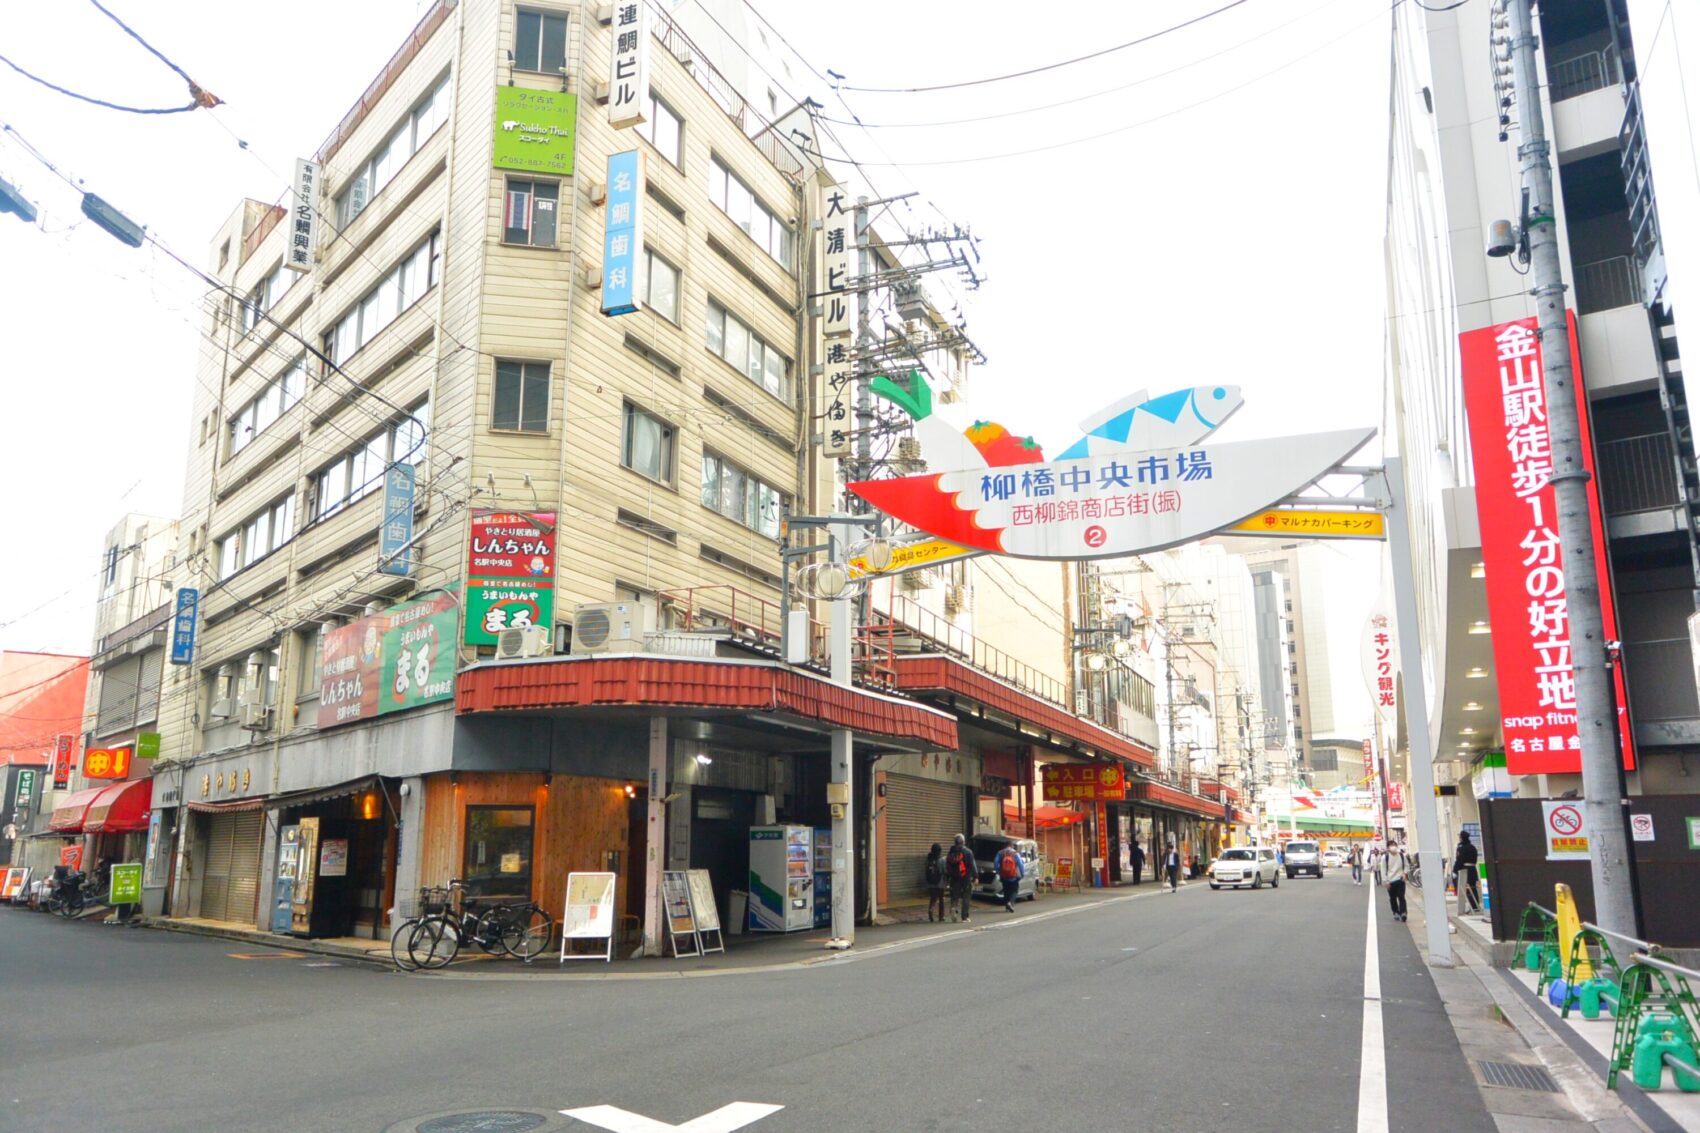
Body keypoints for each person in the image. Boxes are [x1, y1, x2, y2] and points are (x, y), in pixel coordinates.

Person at [944, 834, 977, 922]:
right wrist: (976, 876)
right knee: (966, 896)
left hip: (954, 877)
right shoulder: (968, 852)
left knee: (955, 895)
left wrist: (947, 877)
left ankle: (953, 907)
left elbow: (947, 865)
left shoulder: (951, 852)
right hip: (966, 877)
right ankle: (964, 917)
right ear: (963, 841)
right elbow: (972, 864)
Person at [1454, 830, 1481, 912]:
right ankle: (1475, 906)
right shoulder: (1473, 847)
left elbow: (1459, 860)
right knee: (1473, 888)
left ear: (1461, 838)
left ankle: (1472, 906)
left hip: (1465, 870)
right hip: (1473, 869)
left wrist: (1455, 870)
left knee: (1467, 889)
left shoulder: (1461, 848)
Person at [1381, 841, 1408, 922]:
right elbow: (1383, 870)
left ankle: (1403, 913)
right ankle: (1395, 912)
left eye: (1394, 845)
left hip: (1400, 879)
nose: (1393, 847)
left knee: (1401, 896)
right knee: (1393, 898)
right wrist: (1386, 881)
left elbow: (1406, 865)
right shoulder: (1385, 857)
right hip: (1390, 881)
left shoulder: (1401, 855)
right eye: (1391, 845)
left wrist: (1404, 873)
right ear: (1388, 848)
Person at [994, 843, 1024, 912]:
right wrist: (1022, 873)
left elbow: (995, 862)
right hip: (1013, 875)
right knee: (1014, 890)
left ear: (1004, 846)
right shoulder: (1015, 853)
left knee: (1006, 890)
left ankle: (1007, 906)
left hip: (1004, 875)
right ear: (1011, 846)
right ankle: (1010, 903)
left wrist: (998, 871)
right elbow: (1020, 864)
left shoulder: (1000, 853)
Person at [924, 843, 947, 923]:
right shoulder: (942, 860)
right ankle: (941, 917)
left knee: (933, 898)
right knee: (941, 899)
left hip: (930, 883)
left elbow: (926, 871)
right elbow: (945, 871)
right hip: (940, 883)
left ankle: (931, 910)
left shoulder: (928, 859)